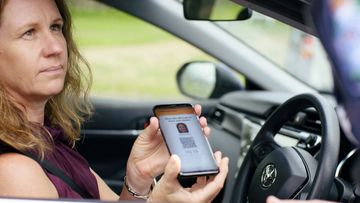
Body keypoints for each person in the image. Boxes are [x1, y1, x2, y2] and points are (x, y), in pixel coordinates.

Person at [0, 0, 229, 202]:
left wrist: (138, 177)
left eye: (55, 27)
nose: (56, 47)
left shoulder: (47, 139)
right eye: (29, 32)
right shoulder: (14, 170)